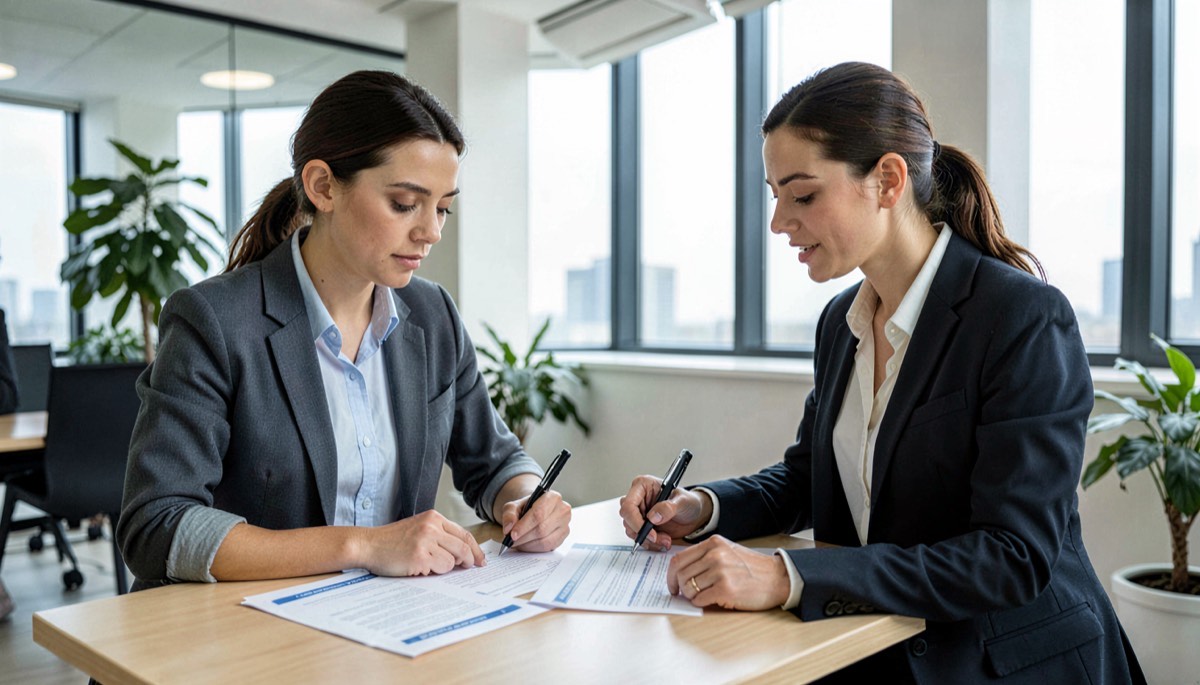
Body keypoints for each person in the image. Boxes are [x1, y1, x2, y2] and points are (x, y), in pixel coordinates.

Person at [619, 62, 1144, 683]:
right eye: (776, 196)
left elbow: (1012, 557)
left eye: (803, 194)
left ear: (888, 180)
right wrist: (702, 508)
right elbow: (809, 480)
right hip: (880, 646)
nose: (779, 222)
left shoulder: (1021, 318)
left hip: (1006, 662)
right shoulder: (840, 321)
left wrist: (788, 576)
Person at [118, 71, 570, 590]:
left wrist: (527, 498)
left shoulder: (432, 315)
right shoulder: (212, 321)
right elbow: (156, 524)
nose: (431, 232)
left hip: (380, 627)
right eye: (405, 204)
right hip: (242, 634)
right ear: (323, 186)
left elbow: (495, 460)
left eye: (442, 207)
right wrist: (364, 546)